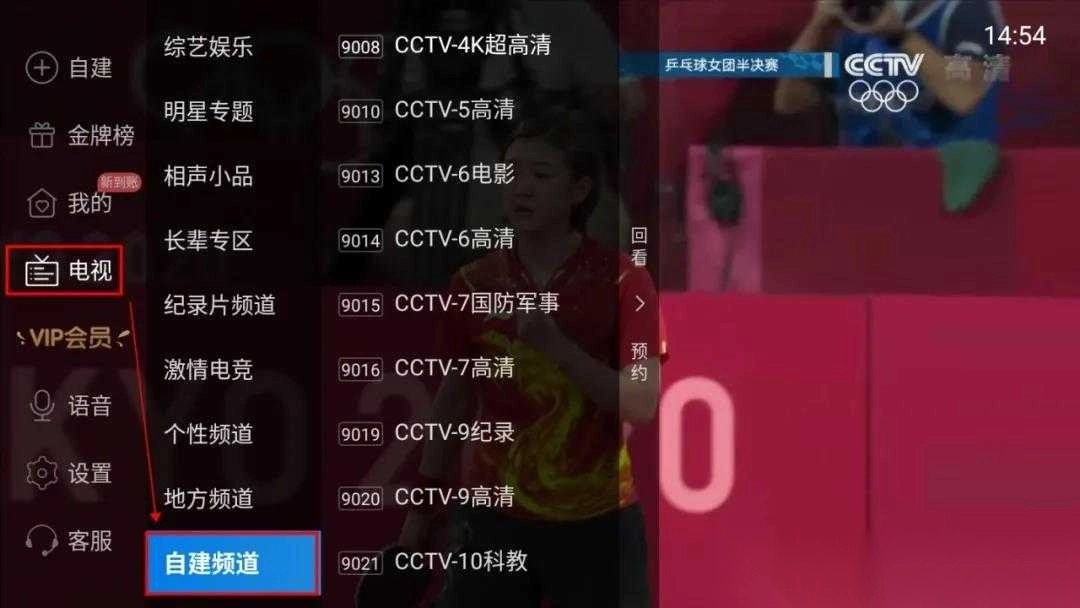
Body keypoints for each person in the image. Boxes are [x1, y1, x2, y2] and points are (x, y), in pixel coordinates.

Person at [390, 109, 664, 608]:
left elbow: (641, 403)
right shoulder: (472, 283)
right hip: (492, 517)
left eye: (540, 175)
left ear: (578, 191)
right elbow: (452, 405)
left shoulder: (627, 282)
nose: (521, 188)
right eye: (511, 172)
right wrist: (417, 520)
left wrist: (557, 348)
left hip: (598, 520)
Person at [774, 0, 1007, 147]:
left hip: (935, 183)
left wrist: (900, 36)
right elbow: (788, 101)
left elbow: (968, 96)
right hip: (854, 184)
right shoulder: (849, 19)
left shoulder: (969, 10)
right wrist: (817, 27)